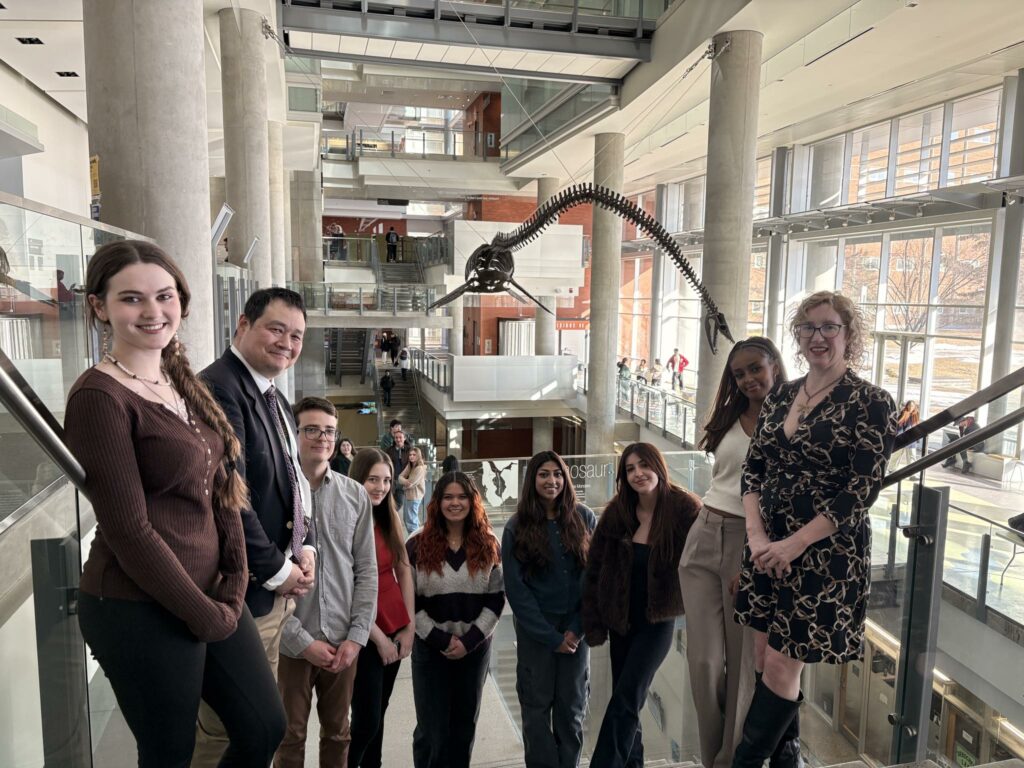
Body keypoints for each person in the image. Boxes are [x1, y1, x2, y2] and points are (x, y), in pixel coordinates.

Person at [64, 240, 285, 765]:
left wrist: (235, 579)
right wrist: (205, 614)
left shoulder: (180, 381)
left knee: (264, 728)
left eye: (164, 296)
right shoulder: (100, 397)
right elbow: (130, 530)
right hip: (137, 605)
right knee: (170, 753)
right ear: (99, 307)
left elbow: (222, 489)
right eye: (131, 298)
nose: (153, 311)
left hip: (212, 595)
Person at [732, 291, 896, 768]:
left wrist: (793, 544)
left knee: (783, 663)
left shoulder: (871, 402)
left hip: (823, 554)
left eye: (829, 327)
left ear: (849, 335)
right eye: (808, 327)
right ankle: (785, 763)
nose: (817, 337)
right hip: (766, 545)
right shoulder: (782, 394)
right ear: (797, 336)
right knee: (765, 659)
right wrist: (758, 537)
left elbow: (859, 491)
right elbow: (753, 469)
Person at [195, 286, 316, 765]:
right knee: (225, 731)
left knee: (257, 727)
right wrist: (279, 570)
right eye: (276, 329)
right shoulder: (218, 389)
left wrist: (306, 546)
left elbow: (294, 481)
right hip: (240, 596)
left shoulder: (274, 397)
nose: (287, 343)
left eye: (297, 336)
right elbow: (229, 498)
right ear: (243, 325)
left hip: (272, 597)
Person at [679, 337, 787, 768]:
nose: (747, 379)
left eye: (755, 368)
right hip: (705, 532)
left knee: (743, 666)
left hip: (751, 541)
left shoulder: (793, 420)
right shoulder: (730, 415)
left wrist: (756, 559)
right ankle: (713, 759)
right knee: (704, 662)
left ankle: (732, 761)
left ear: (774, 364)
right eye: (739, 373)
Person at [583, 443, 699, 767]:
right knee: (627, 700)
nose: (638, 474)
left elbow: (706, 557)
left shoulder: (684, 509)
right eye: (630, 469)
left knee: (627, 697)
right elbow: (594, 568)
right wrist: (594, 619)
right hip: (620, 619)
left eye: (644, 465)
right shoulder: (617, 512)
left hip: (656, 621)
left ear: (658, 467)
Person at [277, 398, 377, 768]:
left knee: (338, 734)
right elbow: (262, 577)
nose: (322, 438)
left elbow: (366, 571)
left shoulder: (355, 495)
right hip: (291, 642)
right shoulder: (274, 493)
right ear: (294, 434)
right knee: (289, 737)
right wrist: (301, 642)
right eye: (312, 429)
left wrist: (357, 637)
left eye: (329, 431)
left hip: (343, 642)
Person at [502, 451, 596, 768]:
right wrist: (550, 636)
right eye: (543, 474)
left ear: (565, 478)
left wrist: (576, 629)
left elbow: (594, 578)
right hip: (536, 634)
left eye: (557, 474)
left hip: (576, 632)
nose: (551, 480)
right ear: (532, 479)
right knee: (536, 711)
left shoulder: (584, 517)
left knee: (572, 710)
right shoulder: (516, 526)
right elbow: (517, 591)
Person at [407, 472, 505, 768]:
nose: (455, 503)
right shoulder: (416, 544)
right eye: (448, 497)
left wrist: (469, 641)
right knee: (431, 730)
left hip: (474, 651)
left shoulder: (489, 543)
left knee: (463, 729)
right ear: (436, 502)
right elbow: (410, 602)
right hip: (429, 649)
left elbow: (496, 599)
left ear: (473, 501)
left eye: (462, 496)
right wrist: (440, 639)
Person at [348, 449, 416, 768]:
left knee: (380, 713)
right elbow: (346, 588)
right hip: (363, 628)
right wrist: (378, 639)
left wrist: (409, 625)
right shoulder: (346, 519)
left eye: (387, 480)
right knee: (366, 721)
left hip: (394, 620)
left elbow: (404, 568)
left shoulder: (390, 515)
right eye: (372, 479)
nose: (381, 487)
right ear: (357, 479)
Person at [399, 445, 428, 534]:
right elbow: (399, 477)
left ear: (418, 456)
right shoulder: (410, 466)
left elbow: (410, 484)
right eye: (410, 455)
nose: (411, 456)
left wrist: (404, 484)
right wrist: (405, 482)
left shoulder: (420, 468)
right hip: (408, 496)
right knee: (407, 520)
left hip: (415, 497)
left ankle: (416, 539)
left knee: (411, 522)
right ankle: (415, 538)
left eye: (414, 455)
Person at [386, 430, 410, 512]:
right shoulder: (389, 450)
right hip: (392, 480)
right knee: (388, 501)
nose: (398, 439)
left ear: (404, 438)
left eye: (400, 437)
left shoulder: (409, 450)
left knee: (399, 502)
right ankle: (390, 515)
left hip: (403, 481)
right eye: (396, 437)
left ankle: (392, 513)